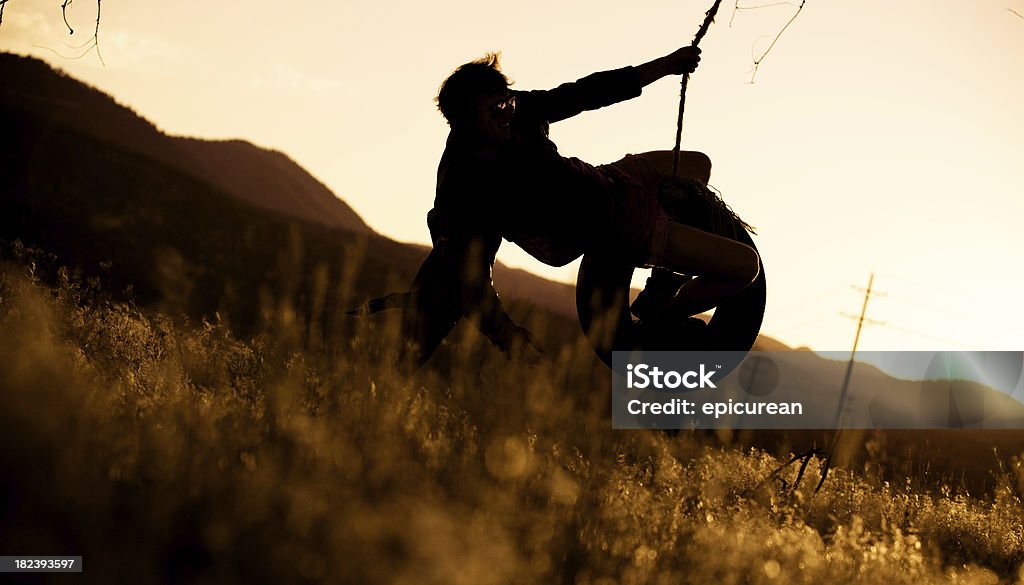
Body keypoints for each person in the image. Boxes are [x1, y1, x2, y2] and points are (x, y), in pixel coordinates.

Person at [357, 46, 760, 373]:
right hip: (618, 224)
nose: (507, 114)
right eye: (495, 110)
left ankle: (659, 286)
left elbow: (584, 93)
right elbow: (469, 274)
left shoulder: (515, 111)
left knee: (696, 165)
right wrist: (505, 333)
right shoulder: (468, 188)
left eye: (508, 104)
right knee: (744, 268)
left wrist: (667, 65)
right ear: (462, 122)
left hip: (610, 180)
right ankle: (663, 319)